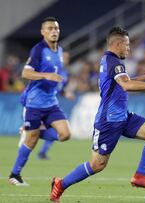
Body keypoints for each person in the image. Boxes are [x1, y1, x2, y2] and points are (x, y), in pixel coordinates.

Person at [49, 26, 145, 202]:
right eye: (126, 44)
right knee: (97, 165)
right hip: (108, 121)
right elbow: (126, 85)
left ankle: (140, 176)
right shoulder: (113, 62)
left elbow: (124, 82)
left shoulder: (112, 61)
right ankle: (60, 184)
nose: (129, 48)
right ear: (117, 44)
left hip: (122, 117)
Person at [8, 17, 72, 186]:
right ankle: (15, 175)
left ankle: (29, 131)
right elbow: (25, 73)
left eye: (56, 28)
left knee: (65, 135)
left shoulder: (59, 50)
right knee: (31, 141)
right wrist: (45, 75)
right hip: (34, 103)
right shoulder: (38, 50)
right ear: (43, 32)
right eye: (50, 28)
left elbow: (55, 78)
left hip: (51, 103)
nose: (54, 31)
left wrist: (63, 89)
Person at [18, 51, 74, 160]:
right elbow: (30, 76)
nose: (65, 60)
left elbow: (60, 89)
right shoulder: (48, 67)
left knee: (58, 130)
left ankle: (41, 151)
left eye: (67, 58)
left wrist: (66, 93)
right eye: (64, 57)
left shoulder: (65, 74)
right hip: (33, 103)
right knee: (31, 138)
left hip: (50, 104)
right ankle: (17, 169)